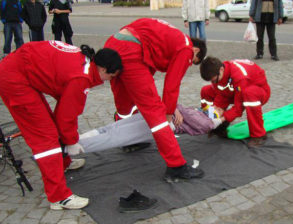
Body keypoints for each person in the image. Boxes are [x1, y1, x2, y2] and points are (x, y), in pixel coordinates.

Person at [0, 41, 123, 210]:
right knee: (45, 137)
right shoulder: (81, 78)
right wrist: (71, 141)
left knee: (50, 124)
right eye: (111, 76)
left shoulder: (85, 63)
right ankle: (58, 197)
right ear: (102, 69)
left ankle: (62, 164)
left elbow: (63, 109)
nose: (109, 81)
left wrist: (68, 138)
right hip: (15, 79)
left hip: (22, 70)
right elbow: (66, 117)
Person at [103, 18, 207, 182]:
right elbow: (171, 85)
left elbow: (149, 58)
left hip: (113, 44)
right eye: (191, 63)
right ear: (195, 51)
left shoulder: (170, 35)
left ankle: (128, 139)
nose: (187, 65)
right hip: (131, 51)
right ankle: (176, 166)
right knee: (155, 112)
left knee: (124, 104)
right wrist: (168, 113)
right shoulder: (186, 48)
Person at [78, 105, 217, 153]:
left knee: (114, 132)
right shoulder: (200, 116)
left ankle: (75, 145)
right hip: (158, 119)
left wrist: (174, 108)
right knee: (114, 132)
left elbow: (206, 125)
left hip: (159, 120)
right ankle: (74, 144)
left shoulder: (204, 120)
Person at [200, 57, 271, 147]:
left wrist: (222, 119)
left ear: (221, 69)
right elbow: (221, 94)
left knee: (249, 94)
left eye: (214, 80)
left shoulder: (240, 76)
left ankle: (259, 135)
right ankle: (215, 127)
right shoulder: (219, 73)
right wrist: (214, 112)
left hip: (259, 92)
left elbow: (238, 108)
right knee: (206, 90)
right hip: (235, 90)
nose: (213, 82)